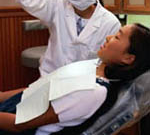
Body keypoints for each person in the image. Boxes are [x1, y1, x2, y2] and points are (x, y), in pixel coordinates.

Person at [0, 23, 150, 135]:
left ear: (128, 58)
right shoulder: (95, 65)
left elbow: (19, 124)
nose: (108, 37)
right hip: (16, 108)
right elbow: (38, 89)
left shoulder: (92, 92)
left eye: (117, 37)